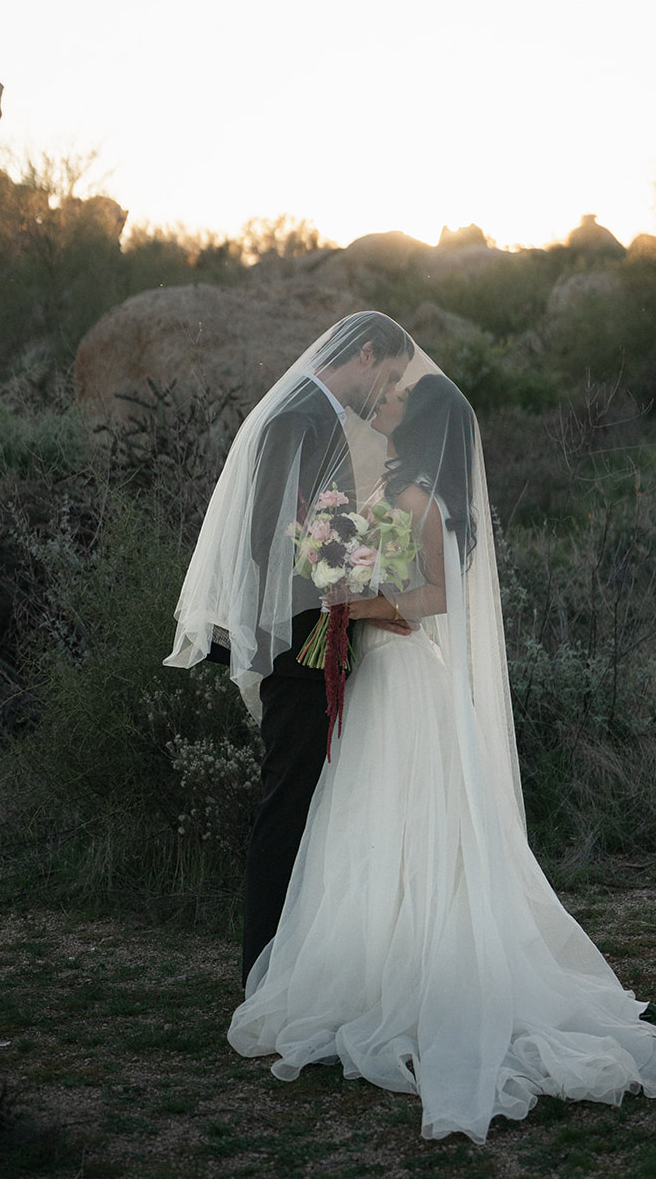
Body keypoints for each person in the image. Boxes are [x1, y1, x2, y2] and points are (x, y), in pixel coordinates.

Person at [217, 334, 656, 1144]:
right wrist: (344, 590)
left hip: (402, 674)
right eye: (393, 389)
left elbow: (419, 600)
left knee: (383, 817)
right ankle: (369, 958)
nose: (391, 402)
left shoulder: (418, 499)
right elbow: (363, 574)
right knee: (378, 823)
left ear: (424, 425)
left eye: (403, 400)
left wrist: (345, 605)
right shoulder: (397, 487)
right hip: (389, 677)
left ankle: (379, 974)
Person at [165, 312, 413, 982]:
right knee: (287, 804)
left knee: (312, 803)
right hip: (296, 644)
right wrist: (354, 583)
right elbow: (266, 538)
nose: (384, 388)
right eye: (386, 375)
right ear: (364, 356)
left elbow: (318, 522)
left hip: (316, 632)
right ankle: (262, 975)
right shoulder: (295, 417)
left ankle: (297, 965)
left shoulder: (318, 415)